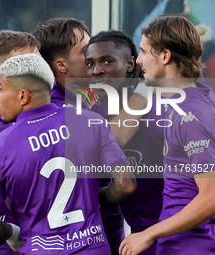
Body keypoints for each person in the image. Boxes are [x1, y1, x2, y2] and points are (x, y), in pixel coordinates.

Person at [0, 53, 136, 254]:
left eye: (0, 88)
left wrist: (14, 234)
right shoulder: (91, 122)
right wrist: (88, 198)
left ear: (23, 96)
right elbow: (126, 185)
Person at [32, 18, 134, 255]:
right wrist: (145, 92)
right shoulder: (55, 111)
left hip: (105, 233)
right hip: (79, 241)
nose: (93, 56)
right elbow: (112, 147)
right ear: (61, 65)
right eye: (85, 51)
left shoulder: (86, 95)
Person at [119, 14, 215, 255]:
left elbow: (211, 197)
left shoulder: (192, 114)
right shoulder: (188, 100)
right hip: (177, 244)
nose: (138, 60)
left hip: (193, 246)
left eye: (143, 52)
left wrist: (149, 233)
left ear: (165, 56)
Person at [85, 30, 164, 255]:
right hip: (139, 238)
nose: (96, 70)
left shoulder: (163, 101)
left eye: (107, 61)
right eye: (89, 64)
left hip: (180, 233)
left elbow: (114, 139)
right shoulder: (93, 111)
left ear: (130, 64)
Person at [0, 29, 40, 255]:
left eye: (38, 58)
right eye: (28, 60)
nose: (39, 65)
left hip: (51, 239)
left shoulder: (53, 109)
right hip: (5, 243)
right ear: (0, 70)